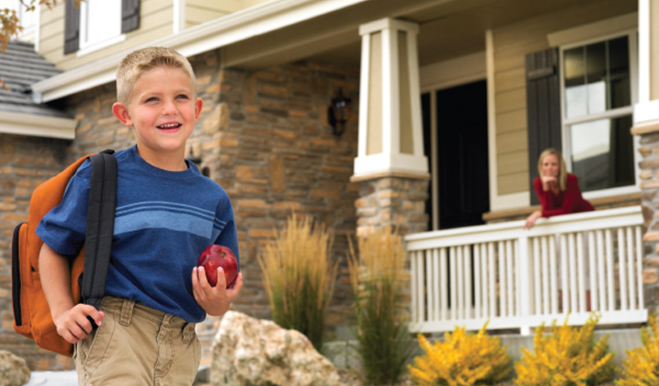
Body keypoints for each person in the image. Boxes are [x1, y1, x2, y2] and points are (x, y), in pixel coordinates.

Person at [37, 47, 243, 385]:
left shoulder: (214, 199)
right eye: (152, 100)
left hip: (182, 342)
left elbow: (220, 295)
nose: (169, 109)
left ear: (197, 108)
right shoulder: (102, 177)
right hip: (116, 332)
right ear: (124, 114)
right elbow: (54, 247)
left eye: (181, 97)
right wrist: (62, 312)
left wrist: (219, 302)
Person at [524, 148, 594, 229]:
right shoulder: (538, 183)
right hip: (565, 223)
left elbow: (566, 210)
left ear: (560, 166)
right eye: (546, 164)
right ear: (541, 166)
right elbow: (548, 209)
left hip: (585, 218)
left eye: (554, 164)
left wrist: (538, 214)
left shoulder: (571, 180)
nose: (549, 168)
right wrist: (546, 187)